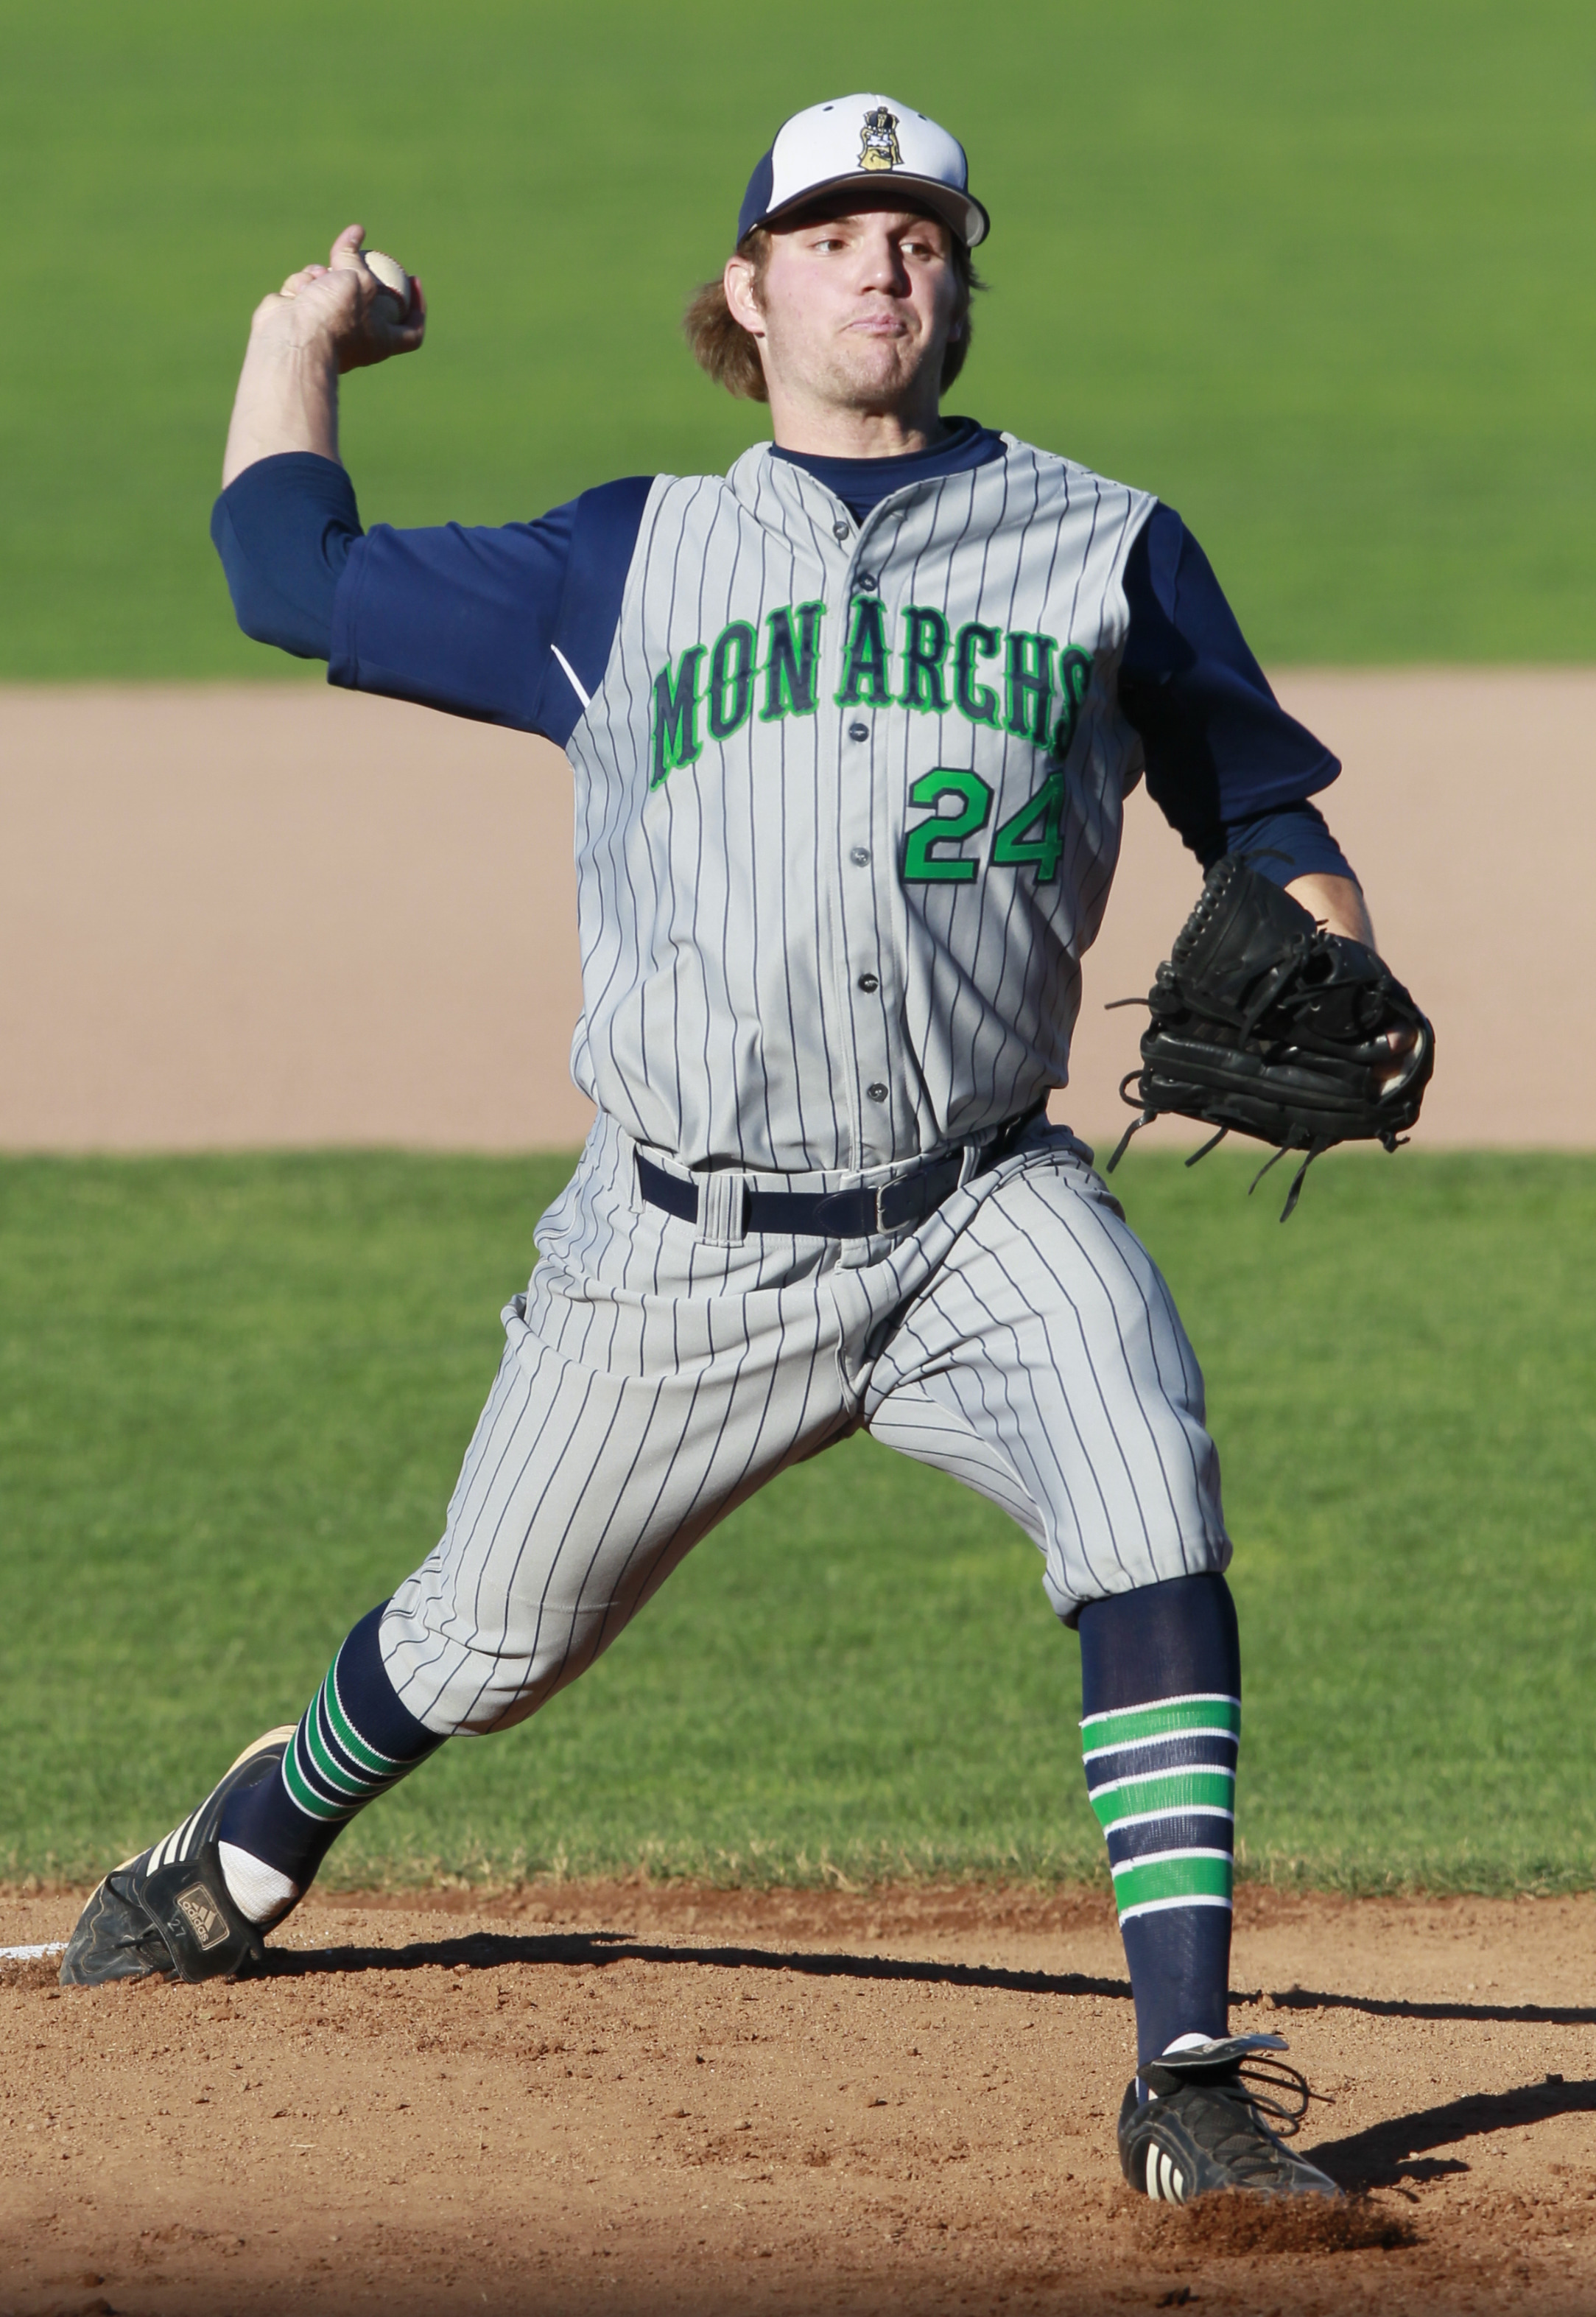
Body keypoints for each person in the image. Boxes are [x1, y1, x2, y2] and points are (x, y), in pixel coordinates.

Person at [61, 93, 1387, 2204]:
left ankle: (1190, 2074)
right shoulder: (625, 559)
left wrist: (1338, 931)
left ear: (957, 283)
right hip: (676, 1247)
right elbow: (272, 574)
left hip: (984, 1201)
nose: (887, 260)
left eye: (926, 230)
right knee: (486, 1639)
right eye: (839, 229)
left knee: (1152, 1489)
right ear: (748, 293)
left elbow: (1262, 805)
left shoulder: (1105, 540)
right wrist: (299, 328)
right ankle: (251, 1832)